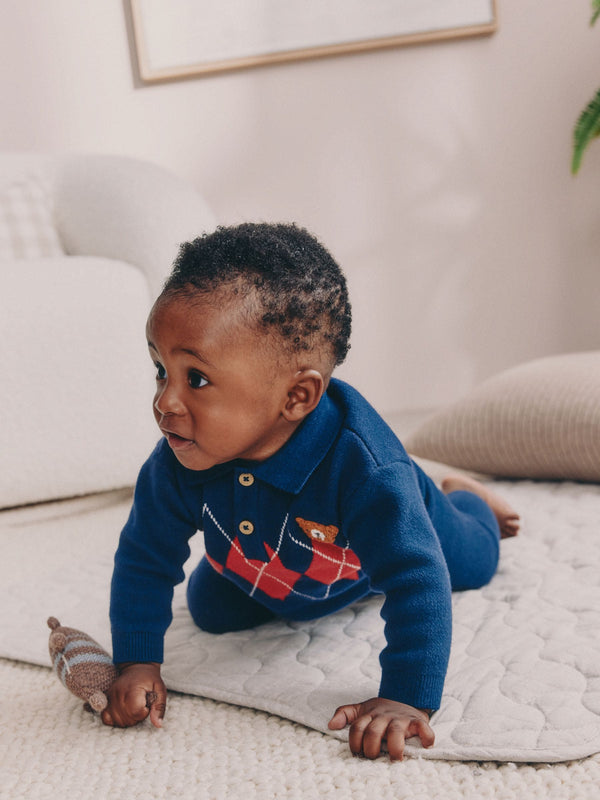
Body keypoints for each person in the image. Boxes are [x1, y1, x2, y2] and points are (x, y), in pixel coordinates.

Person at [102, 222, 519, 760]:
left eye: (196, 380)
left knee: (474, 560)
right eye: (161, 370)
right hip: (274, 559)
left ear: (297, 396)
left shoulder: (367, 470)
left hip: (400, 531)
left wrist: (406, 698)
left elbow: (418, 583)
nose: (165, 402)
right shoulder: (180, 456)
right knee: (209, 608)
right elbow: (143, 558)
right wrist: (137, 662)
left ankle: (466, 496)